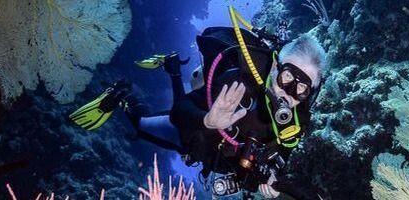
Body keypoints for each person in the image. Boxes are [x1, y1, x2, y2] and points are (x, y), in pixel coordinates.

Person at [69, 16, 326, 199]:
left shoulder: (297, 121)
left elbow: (278, 157)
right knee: (141, 125)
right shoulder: (239, 85)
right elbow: (180, 111)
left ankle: (172, 68)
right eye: (288, 78)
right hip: (192, 137)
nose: (291, 94)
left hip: (219, 160)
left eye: (303, 89)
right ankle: (122, 94)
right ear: (274, 68)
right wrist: (207, 121)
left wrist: (268, 179)